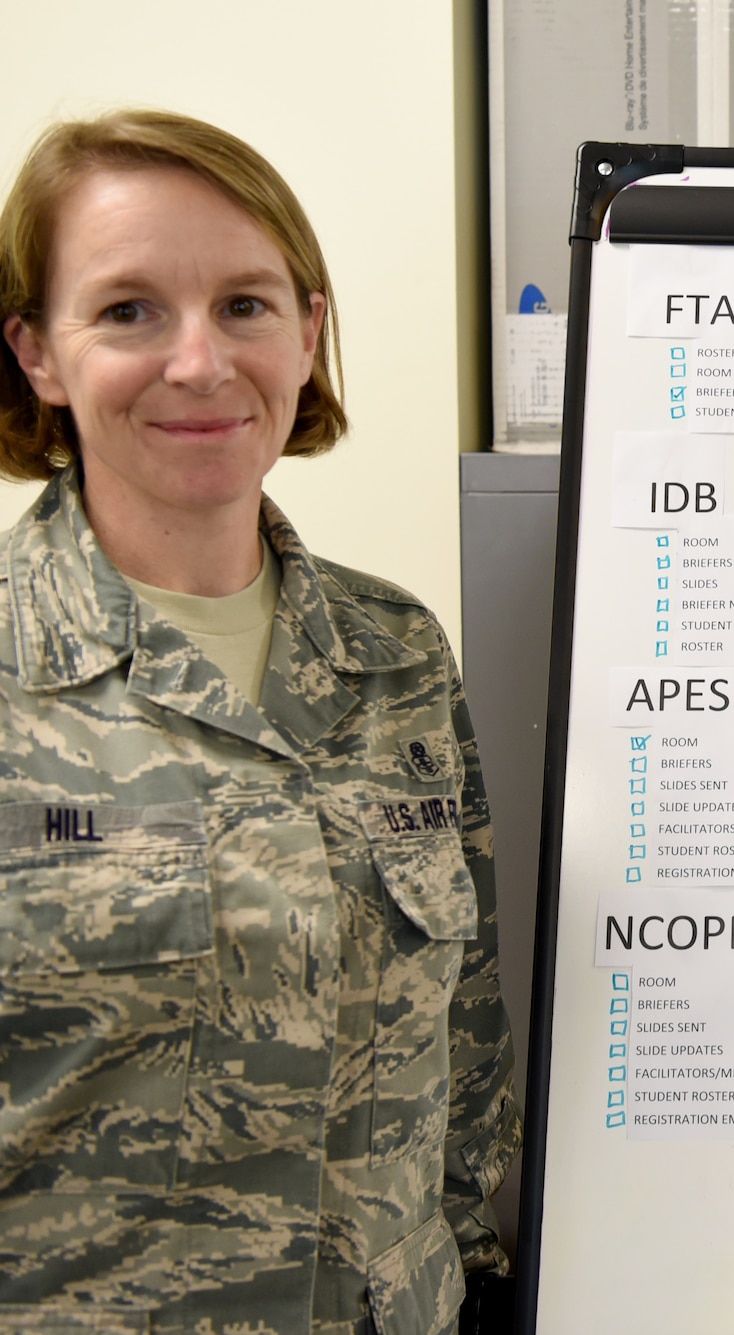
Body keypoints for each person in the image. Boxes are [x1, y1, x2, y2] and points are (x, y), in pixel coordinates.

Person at [0, 111, 518, 1332]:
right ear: (36, 354)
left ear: (307, 335)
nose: (198, 362)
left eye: (245, 304)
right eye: (127, 310)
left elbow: (470, 1043)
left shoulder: (394, 652)